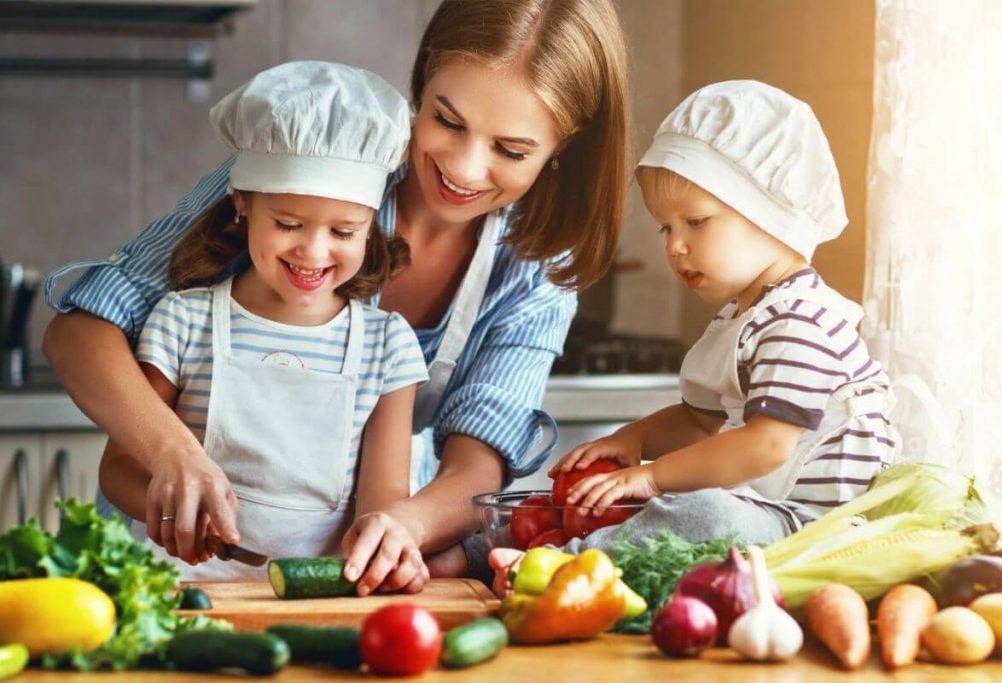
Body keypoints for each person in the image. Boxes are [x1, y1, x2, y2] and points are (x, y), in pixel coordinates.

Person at [43, 0, 631, 593]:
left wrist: (402, 524)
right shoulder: (309, 157)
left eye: (510, 150)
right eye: (447, 121)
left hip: (331, 567)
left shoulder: (537, 265)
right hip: (167, 561)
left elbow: (476, 461)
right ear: (421, 83)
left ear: (562, 146)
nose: (463, 167)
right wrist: (174, 456)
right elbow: (80, 332)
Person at [492, 80, 900, 594]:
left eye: (696, 221)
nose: (676, 246)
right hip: (764, 510)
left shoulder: (802, 322)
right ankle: (508, 544)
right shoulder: (744, 316)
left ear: (770, 212)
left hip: (812, 528)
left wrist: (653, 476)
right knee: (674, 503)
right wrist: (633, 440)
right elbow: (698, 422)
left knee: (702, 510)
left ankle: (561, 566)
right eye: (666, 228)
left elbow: (767, 446)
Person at [94, 61, 429, 581]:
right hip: (183, 588)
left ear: (371, 227)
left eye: (344, 231)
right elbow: (118, 470)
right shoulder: (184, 321)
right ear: (242, 203)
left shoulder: (388, 346)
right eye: (289, 224)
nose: (313, 251)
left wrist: (383, 550)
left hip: (315, 598)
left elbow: (381, 504)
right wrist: (173, 512)